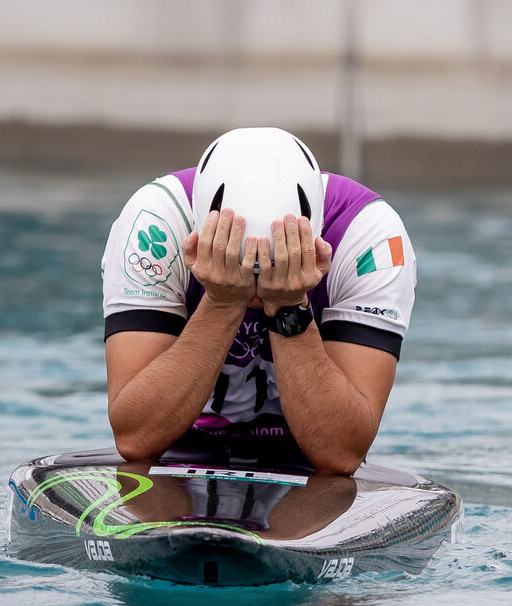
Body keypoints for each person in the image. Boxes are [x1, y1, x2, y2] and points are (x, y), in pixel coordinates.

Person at [101, 127, 416, 475]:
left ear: (317, 236)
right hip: (174, 445)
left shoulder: (368, 236)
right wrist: (221, 302)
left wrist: (289, 305)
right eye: (240, 265)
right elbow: (135, 438)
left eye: (276, 266)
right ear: (198, 229)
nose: (259, 285)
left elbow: (340, 454)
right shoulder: (155, 224)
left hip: (309, 455)